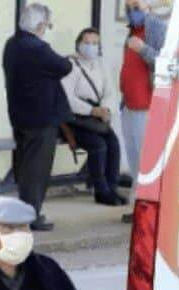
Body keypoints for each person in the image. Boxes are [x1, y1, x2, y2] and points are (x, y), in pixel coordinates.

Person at [3, 3, 72, 232]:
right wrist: (68, 59)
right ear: (40, 25)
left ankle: (24, 211)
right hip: (41, 119)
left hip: (19, 116)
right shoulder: (38, 48)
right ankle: (31, 216)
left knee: (25, 167)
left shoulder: (12, 44)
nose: (46, 29)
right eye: (47, 25)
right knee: (37, 170)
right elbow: (64, 66)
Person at [61, 27, 126, 207]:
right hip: (77, 120)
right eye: (87, 43)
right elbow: (67, 97)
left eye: (95, 43)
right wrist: (91, 111)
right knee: (98, 146)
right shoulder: (70, 65)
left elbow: (110, 92)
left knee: (113, 143)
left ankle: (112, 188)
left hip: (97, 118)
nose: (91, 47)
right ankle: (101, 191)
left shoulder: (101, 64)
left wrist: (106, 110)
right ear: (78, 44)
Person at [119, 0, 169, 222]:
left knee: (145, 161)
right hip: (129, 105)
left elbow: (168, 63)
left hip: (146, 105)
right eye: (128, 7)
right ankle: (137, 208)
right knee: (134, 161)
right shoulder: (131, 31)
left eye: (136, 6)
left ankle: (148, 212)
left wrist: (143, 49)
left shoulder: (156, 28)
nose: (132, 12)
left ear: (148, 7)